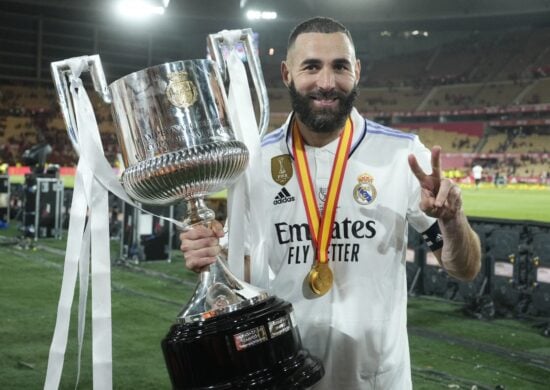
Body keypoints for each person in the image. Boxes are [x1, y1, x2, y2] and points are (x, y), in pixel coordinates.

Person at [180, 16, 481, 389]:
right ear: (287, 74)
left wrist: (453, 222)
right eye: (311, 67)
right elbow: (245, 271)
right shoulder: (253, 163)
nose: (326, 82)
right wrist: (212, 257)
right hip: (285, 375)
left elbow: (464, 269)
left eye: (340, 66)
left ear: (356, 71)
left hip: (376, 380)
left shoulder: (401, 155)